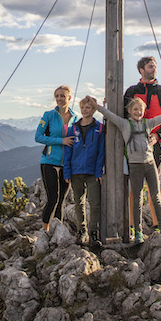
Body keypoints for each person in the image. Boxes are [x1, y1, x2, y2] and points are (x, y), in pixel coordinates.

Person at [86, 94, 161, 242]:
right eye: (135, 109)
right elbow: (109, 115)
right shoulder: (124, 124)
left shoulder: (148, 124)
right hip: (135, 166)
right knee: (137, 199)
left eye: (140, 110)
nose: (138, 112)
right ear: (129, 110)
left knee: (155, 196)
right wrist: (96, 106)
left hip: (150, 164)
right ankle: (138, 233)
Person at [123, 56, 161, 231]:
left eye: (155, 66)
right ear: (141, 70)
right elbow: (123, 115)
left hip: (156, 144)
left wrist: (158, 135)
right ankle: (132, 225)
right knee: (134, 187)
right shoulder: (131, 91)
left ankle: (157, 224)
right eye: (150, 66)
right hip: (135, 145)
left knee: (155, 185)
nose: (154, 69)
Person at [63, 96, 105, 251]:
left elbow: (101, 151)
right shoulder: (73, 128)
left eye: (88, 107)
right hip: (75, 171)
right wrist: (67, 171)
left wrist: (98, 171)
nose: (85, 110)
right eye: (83, 107)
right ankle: (82, 231)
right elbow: (68, 151)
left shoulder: (99, 128)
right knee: (78, 203)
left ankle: (94, 232)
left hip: (92, 172)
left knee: (94, 203)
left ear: (94, 109)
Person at [35, 85, 77, 232]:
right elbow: (38, 137)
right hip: (49, 161)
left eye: (62, 96)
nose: (59, 99)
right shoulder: (48, 116)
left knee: (61, 201)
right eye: (57, 96)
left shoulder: (75, 118)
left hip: (67, 163)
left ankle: (58, 231)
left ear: (69, 98)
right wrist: (61, 141)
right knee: (53, 198)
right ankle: (45, 231)